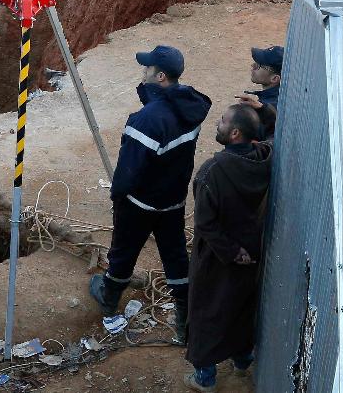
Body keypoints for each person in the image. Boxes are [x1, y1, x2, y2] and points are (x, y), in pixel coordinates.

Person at [89, 45, 211, 346]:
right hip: (173, 201)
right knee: (175, 257)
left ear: (160, 76)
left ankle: (108, 299)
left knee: (123, 253)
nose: (142, 73)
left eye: (147, 69)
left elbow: (128, 173)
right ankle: (184, 322)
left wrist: (118, 199)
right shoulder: (190, 109)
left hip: (140, 204)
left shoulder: (146, 120)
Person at [184, 104, 273, 392]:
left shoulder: (212, 172)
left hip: (217, 258)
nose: (217, 125)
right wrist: (265, 112)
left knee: (206, 312)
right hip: (252, 250)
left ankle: (205, 377)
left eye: (222, 122)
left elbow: (206, 226)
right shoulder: (262, 159)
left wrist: (233, 252)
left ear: (235, 133)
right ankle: (242, 360)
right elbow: (268, 140)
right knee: (240, 308)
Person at [236, 45, 282, 140]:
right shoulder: (278, 97)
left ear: (274, 79)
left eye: (258, 65)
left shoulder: (271, 106)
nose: (253, 66)